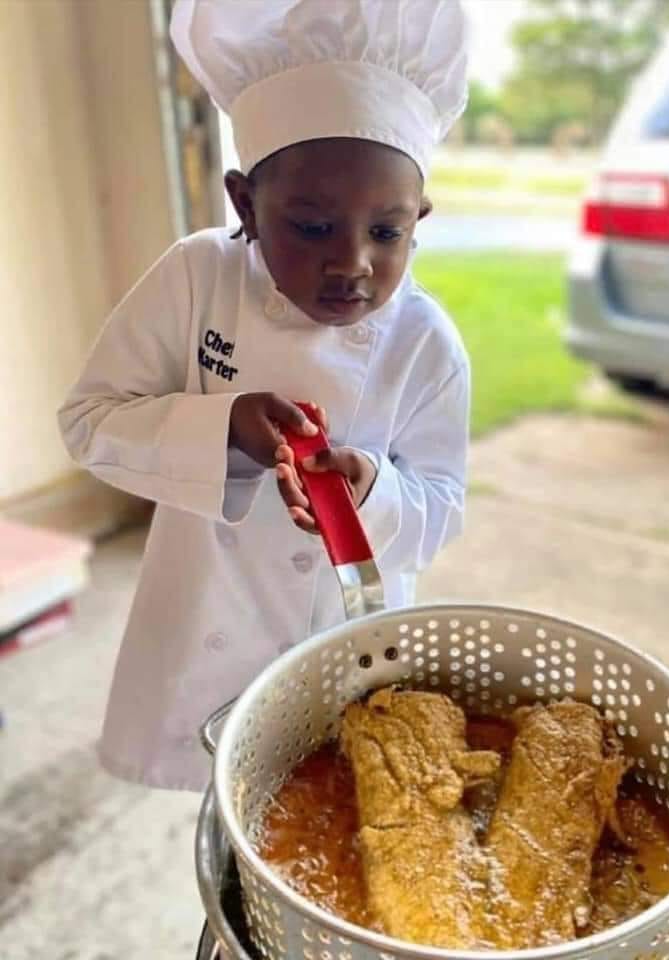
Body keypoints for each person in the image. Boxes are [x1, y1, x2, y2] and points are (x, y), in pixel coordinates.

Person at [58, 0, 471, 792]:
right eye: (312, 227)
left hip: (342, 636)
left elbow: (442, 505)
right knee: (225, 799)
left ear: (419, 219)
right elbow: (90, 420)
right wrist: (223, 431)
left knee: (325, 800)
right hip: (205, 612)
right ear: (245, 203)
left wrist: (373, 490)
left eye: (386, 234)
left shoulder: (426, 343)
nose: (351, 262)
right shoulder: (196, 277)